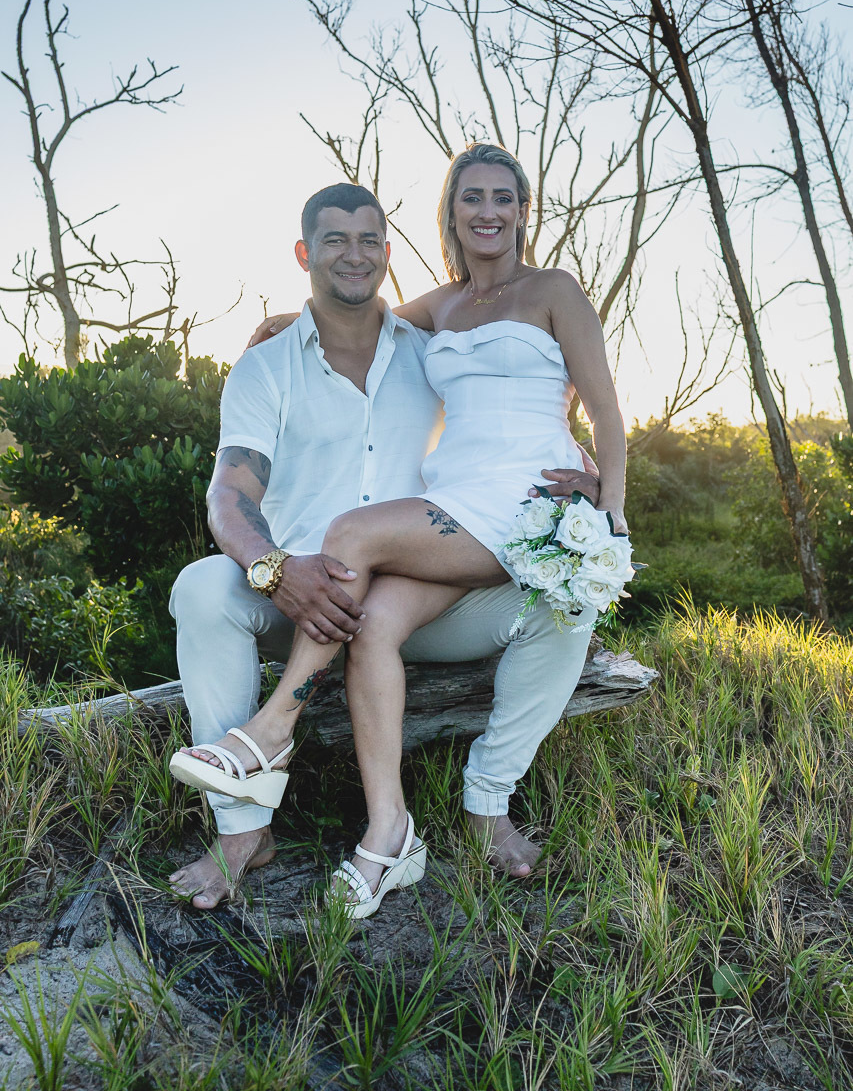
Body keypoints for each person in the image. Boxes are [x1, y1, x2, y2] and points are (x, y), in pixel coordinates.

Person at [168, 145, 626, 914]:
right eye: (471, 197)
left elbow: (580, 404)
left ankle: (464, 792)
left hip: (480, 522)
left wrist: (599, 497)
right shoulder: (384, 331)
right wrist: (275, 568)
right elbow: (229, 490)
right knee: (251, 596)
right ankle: (297, 827)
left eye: (503, 198)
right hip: (343, 568)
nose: (488, 211)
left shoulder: (495, 313)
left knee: (555, 602)